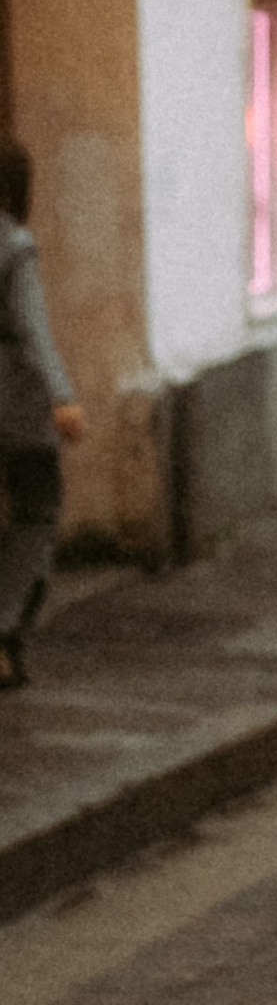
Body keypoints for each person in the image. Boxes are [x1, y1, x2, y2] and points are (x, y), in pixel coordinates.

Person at [0, 140, 81, 689]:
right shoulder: (13, 243)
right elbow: (32, 330)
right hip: (15, 401)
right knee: (38, 508)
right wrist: (63, 397)